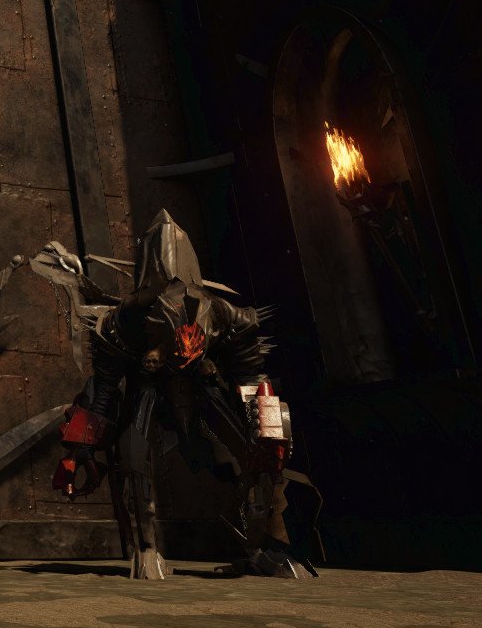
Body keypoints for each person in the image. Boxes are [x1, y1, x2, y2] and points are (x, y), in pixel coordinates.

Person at [35, 210, 313, 579]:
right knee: (134, 453)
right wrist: (80, 449)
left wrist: (269, 429)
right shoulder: (123, 321)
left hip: (201, 385)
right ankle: (147, 547)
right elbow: (103, 389)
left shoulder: (227, 316)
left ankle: (261, 548)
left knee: (264, 445)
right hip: (148, 389)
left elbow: (253, 380)